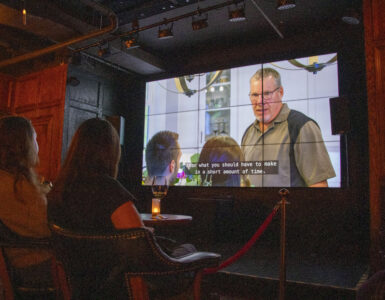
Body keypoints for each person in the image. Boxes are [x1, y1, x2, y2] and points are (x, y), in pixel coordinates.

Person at [48, 119, 195, 298]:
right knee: (189, 251)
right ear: (111, 152)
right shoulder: (110, 191)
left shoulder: (58, 191)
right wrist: (147, 233)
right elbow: (141, 248)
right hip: (121, 287)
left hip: (79, 287)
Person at [241, 67, 335, 187]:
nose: (260, 101)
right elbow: (244, 181)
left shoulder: (302, 127)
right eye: (254, 95)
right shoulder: (248, 133)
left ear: (280, 92)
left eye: (267, 93)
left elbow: (318, 186)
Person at [0, 116, 53, 287]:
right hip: (33, 266)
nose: (37, 145)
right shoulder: (19, 189)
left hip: (12, 266)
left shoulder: (8, 180)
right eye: (35, 139)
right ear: (25, 145)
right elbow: (48, 229)